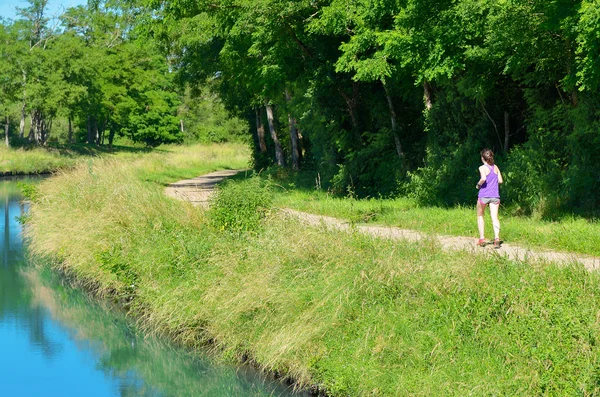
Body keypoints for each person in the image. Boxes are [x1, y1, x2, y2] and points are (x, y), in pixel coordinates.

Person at [476, 148, 503, 248]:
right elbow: (500, 180)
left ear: (483, 158)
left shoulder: (482, 168)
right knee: (494, 217)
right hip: (495, 196)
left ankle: (482, 239)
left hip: (483, 195)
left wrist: (478, 185)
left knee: (480, 216)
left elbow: (483, 178)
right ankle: (496, 239)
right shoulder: (495, 167)